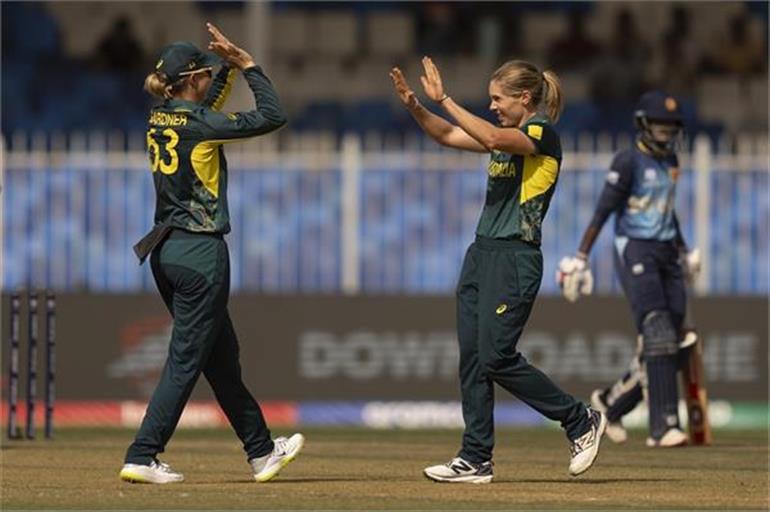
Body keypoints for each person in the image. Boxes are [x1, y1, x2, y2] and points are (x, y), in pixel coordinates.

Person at [390, 58, 607, 484]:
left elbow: (489, 135)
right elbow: (447, 135)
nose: (492, 106)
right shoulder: (505, 139)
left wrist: (445, 99)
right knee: (473, 359)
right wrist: (416, 106)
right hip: (482, 254)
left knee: (495, 356)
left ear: (524, 98)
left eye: (497, 99)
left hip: (515, 257)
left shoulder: (541, 133)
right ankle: (475, 458)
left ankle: (579, 419)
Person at [120, 23, 304, 484]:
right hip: (201, 254)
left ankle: (262, 451)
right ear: (193, 79)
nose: (208, 80)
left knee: (221, 360)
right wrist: (250, 67)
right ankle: (142, 454)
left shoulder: (160, 118)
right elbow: (273, 116)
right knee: (186, 360)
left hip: (166, 251)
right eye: (204, 74)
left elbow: (203, 108)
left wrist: (225, 70)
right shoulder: (200, 125)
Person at [557, 90, 701, 448]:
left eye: (671, 126)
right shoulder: (627, 161)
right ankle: (663, 427)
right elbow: (603, 210)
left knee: (674, 340)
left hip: (667, 252)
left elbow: (666, 210)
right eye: (660, 124)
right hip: (636, 249)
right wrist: (581, 256)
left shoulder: (671, 160)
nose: (666, 132)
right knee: (658, 330)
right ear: (643, 124)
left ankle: (611, 403)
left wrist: (685, 251)